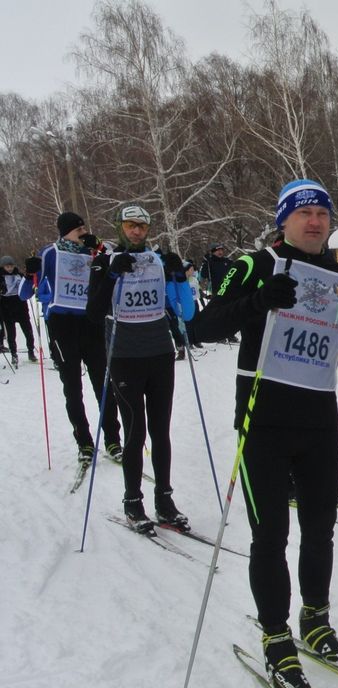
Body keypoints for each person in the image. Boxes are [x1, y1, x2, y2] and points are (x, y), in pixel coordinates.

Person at [188, 178, 338, 688]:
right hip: (263, 422)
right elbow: (200, 326)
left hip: (318, 423)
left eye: (322, 212)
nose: (315, 221)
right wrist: (256, 302)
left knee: (320, 532)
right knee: (270, 536)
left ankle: (314, 619)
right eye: (304, 213)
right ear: (284, 220)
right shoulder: (256, 265)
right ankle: (276, 637)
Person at [85, 205, 196, 530]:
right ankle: (133, 501)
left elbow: (184, 312)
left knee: (162, 431)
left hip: (160, 353)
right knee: (136, 432)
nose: (137, 232)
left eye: (142, 227)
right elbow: (93, 314)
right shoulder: (105, 261)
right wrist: (111, 275)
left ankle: (164, 499)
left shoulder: (157, 261)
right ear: (119, 227)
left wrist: (177, 277)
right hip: (124, 356)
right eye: (131, 226)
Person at [37, 212, 123, 464]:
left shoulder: (94, 250)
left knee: (103, 384)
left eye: (84, 227)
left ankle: (113, 440)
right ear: (65, 232)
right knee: (72, 388)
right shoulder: (50, 253)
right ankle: (84, 442)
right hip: (62, 326)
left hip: (91, 323)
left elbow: (115, 260)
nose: (83, 232)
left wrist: (97, 247)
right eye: (78, 229)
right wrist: (36, 281)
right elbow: (31, 291)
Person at [0, 256, 37, 363]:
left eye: (11, 265)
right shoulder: (1, 276)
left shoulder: (19, 275)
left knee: (28, 331)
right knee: (11, 334)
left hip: (20, 305)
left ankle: (31, 351)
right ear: (3, 266)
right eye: (7, 266)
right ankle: (14, 354)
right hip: (7, 307)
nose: (10, 268)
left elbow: (26, 286)